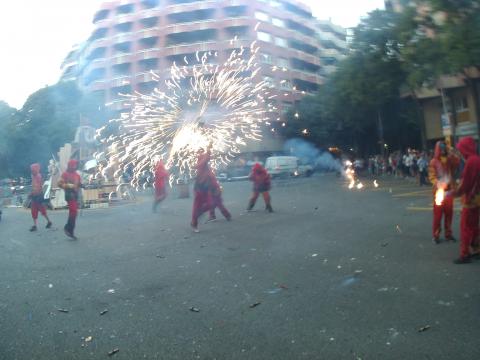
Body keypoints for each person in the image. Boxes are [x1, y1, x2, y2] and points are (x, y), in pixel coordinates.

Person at [447, 137, 480, 264]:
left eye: (461, 148)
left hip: (470, 200)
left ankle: (464, 254)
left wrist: (452, 193)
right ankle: (477, 249)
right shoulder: (476, 159)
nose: (459, 152)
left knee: (465, 227)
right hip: (477, 199)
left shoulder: (471, 161)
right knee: (474, 226)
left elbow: (465, 184)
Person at [428, 141, 459, 244]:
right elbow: (432, 177)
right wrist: (439, 184)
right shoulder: (433, 162)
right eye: (441, 148)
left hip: (449, 192)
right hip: (439, 193)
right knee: (437, 216)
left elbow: (456, 164)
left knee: (449, 215)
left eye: (444, 148)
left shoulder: (449, 159)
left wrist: (452, 153)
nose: (443, 150)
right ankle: (435, 235)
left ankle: (448, 235)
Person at [191, 147, 213, 232]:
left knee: (209, 204)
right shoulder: (201, 163)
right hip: (199, 188)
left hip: (205, 188)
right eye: (200, 152)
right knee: (196, 207)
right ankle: (194, 223)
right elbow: (206, 159)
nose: (201, 153)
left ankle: (198, 215)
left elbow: (207, 158)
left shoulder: (204, 164)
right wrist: (208, 149)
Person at [58, 159, 82, 239]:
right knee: (73, 211)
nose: (75, 166)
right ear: (70, 165)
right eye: (73, 165)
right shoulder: (65, 174)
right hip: (69, 194)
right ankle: (68, 229)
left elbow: (78, 184)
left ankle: (69, 230)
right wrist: (68, 185)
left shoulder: (77, 175)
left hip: (75, 195)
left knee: (74, 213)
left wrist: (81, 185)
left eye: (75, 165)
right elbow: (59, 183)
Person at [29, 163, 52, 231]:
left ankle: (48, 221)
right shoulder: (33, 176)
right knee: (34, 210)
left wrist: (31, 193)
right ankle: (35, 225)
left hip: (38, 196)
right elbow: (34, 187)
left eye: (33, 170)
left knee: (42, 210)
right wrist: (32, 193)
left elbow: (38, 187)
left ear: (36, 170)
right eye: (32, 170)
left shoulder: (38, 176)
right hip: (35, 196)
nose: (32, 171)